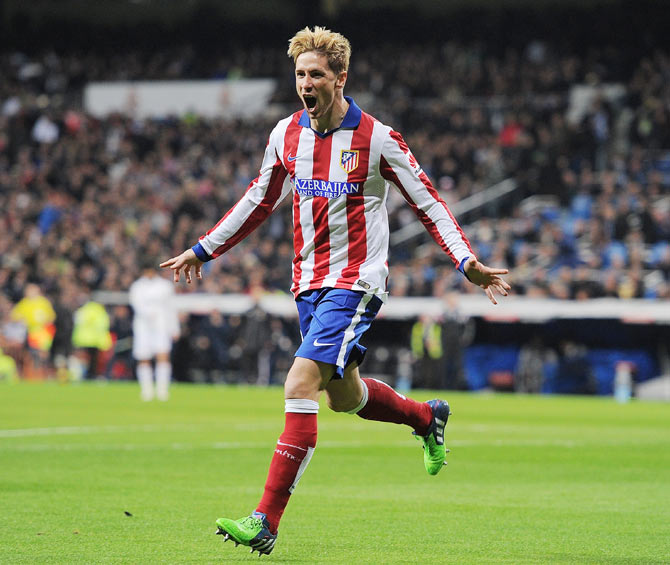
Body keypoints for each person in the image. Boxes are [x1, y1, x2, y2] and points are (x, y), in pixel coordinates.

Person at [161, 26, 510, 556]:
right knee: (346, 396)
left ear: (340, 78)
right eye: (300, 73)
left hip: (357, 281)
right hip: (307, 283)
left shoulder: (378, 138)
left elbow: (429, 204)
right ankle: (425, 417)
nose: (306, 82)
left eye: (316, 74)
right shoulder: (285, 135)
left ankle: (265, 521)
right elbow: (259, 200)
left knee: (299, 383)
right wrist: (203, 249)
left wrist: (468, 263)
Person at [129, 261, 180, 401]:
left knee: (162, 355)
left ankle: (162, 389)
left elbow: (171, 308)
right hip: (143, 326)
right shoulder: (137, 286)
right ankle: (147, 390)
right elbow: (136, 305)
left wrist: (174, 328)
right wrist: (147, 313)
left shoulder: (165, 286)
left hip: (161, 325)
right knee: (143, 357)